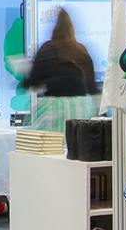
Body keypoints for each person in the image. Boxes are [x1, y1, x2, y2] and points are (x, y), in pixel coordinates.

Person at [21, 8, 98, 136]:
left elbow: (31, 82)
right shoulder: (81, 51)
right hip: (81, 110)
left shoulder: (47, 49)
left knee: (43, 148)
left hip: (53, 110)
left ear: (54, 29)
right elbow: (91, 87)